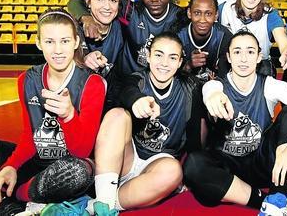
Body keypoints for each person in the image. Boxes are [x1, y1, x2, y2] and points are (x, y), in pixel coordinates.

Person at [0, 9, 106, 215]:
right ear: (39, 43)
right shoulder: (27, 79)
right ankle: (5, 204)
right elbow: (29, 137)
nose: (57, 49)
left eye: (65, 41)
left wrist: (69, 116)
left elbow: (81, 152)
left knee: (77, 172)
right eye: (50, 42)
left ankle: (8, 196)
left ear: (76, 42)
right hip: (33, 162)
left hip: (63, 171)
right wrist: (10, 167)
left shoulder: (92, 83)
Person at [183, 30, 287, 215]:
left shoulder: (270, 85)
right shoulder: (217, 86)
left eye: (250, 52)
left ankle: (277, 196)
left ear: (259, 57)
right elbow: (211, 88)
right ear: (228, 57)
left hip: (262, 163)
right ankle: (269, 203)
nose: (243, 58)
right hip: (228, 167)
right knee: (193, 165)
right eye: (237, 52)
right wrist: (212, 95)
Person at [87, 32, 203, 214]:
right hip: (126, 159)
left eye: (172, 57)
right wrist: (136, 100)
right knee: (117, 115)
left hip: (158, 163)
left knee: (173, 171)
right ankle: (104, 200)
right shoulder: (137, 80)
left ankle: (102, 206)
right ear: (148, 56)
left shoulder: (190, 88)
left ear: (180, 62)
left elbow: (194, 137)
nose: (164, 63)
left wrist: (189, 177)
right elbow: (127, 90)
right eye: (158, 55)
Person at [68, 0, 183, 77]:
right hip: (126, 80)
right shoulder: (131, 11)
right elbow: (75, 2)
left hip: (161, 77)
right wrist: (85, 17)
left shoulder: (180, 16)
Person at [177, 0, 232, 83]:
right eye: (197, 13)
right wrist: (188, 66)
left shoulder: (224, 37)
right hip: (185, 90)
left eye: (208, 14)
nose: (202, 20)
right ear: (189, 13)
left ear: (216, 15)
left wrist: (217, 81)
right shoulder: (177, 36)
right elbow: (168, 74)